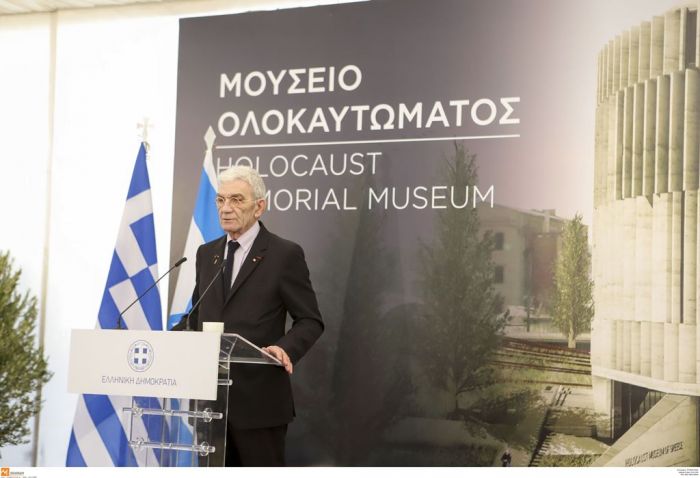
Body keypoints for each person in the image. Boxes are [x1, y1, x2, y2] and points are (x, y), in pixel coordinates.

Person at [181, 165, 324, 466]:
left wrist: (284, 348)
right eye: (220, 200)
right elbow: (196, 316)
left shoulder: (284, 255)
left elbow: (310, 320)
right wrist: (163, 344)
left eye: (236, 200)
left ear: (259, 206)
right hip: (210, 404)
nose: (226, 209)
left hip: (259, 404)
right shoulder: (207, 254)